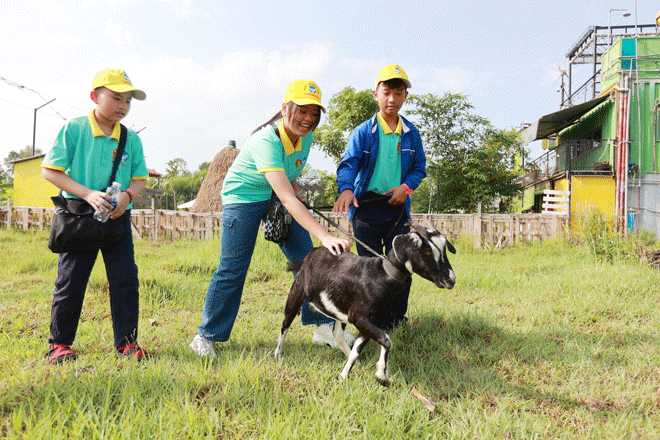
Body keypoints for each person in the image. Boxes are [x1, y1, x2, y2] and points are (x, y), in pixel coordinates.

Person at [189, 79, 353, 358]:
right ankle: (206, 336)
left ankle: (322, 326)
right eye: (302, 110)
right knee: (233, 267)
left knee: (307, 261)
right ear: (285, 108)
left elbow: (288, 178)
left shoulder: (306, 137)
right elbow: (287, 198)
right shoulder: (266, 140)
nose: (308, 119)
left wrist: (293, 190)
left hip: (275, 195)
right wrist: (324, 235)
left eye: (314, 113)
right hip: (243, 197)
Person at [41, 69, 150, 364]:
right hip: (79, 217)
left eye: (128, 100)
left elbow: (139, 178)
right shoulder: (74, 129)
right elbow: (49, 170)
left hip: (116, 218)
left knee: (125, 278)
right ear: (94, 96)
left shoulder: (130, 139)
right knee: (72, 279)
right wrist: (88, 194)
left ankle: (127, 343)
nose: (122, 106)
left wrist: (127, 196)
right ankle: (59, 344)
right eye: (116, 98)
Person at [333, 64, 426, 330]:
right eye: (387, 92)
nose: (392, 99)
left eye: (398, 93)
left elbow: (420, 167)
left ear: (405, 96)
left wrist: (405, 187)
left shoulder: (411, 134)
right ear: (376, 94)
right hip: (366, 209)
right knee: (371, 268)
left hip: (397, 209)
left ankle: (396, 320)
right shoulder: (363, 132)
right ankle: (371, 319)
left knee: (401, 265)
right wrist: (347, 189)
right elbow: (349, 163)